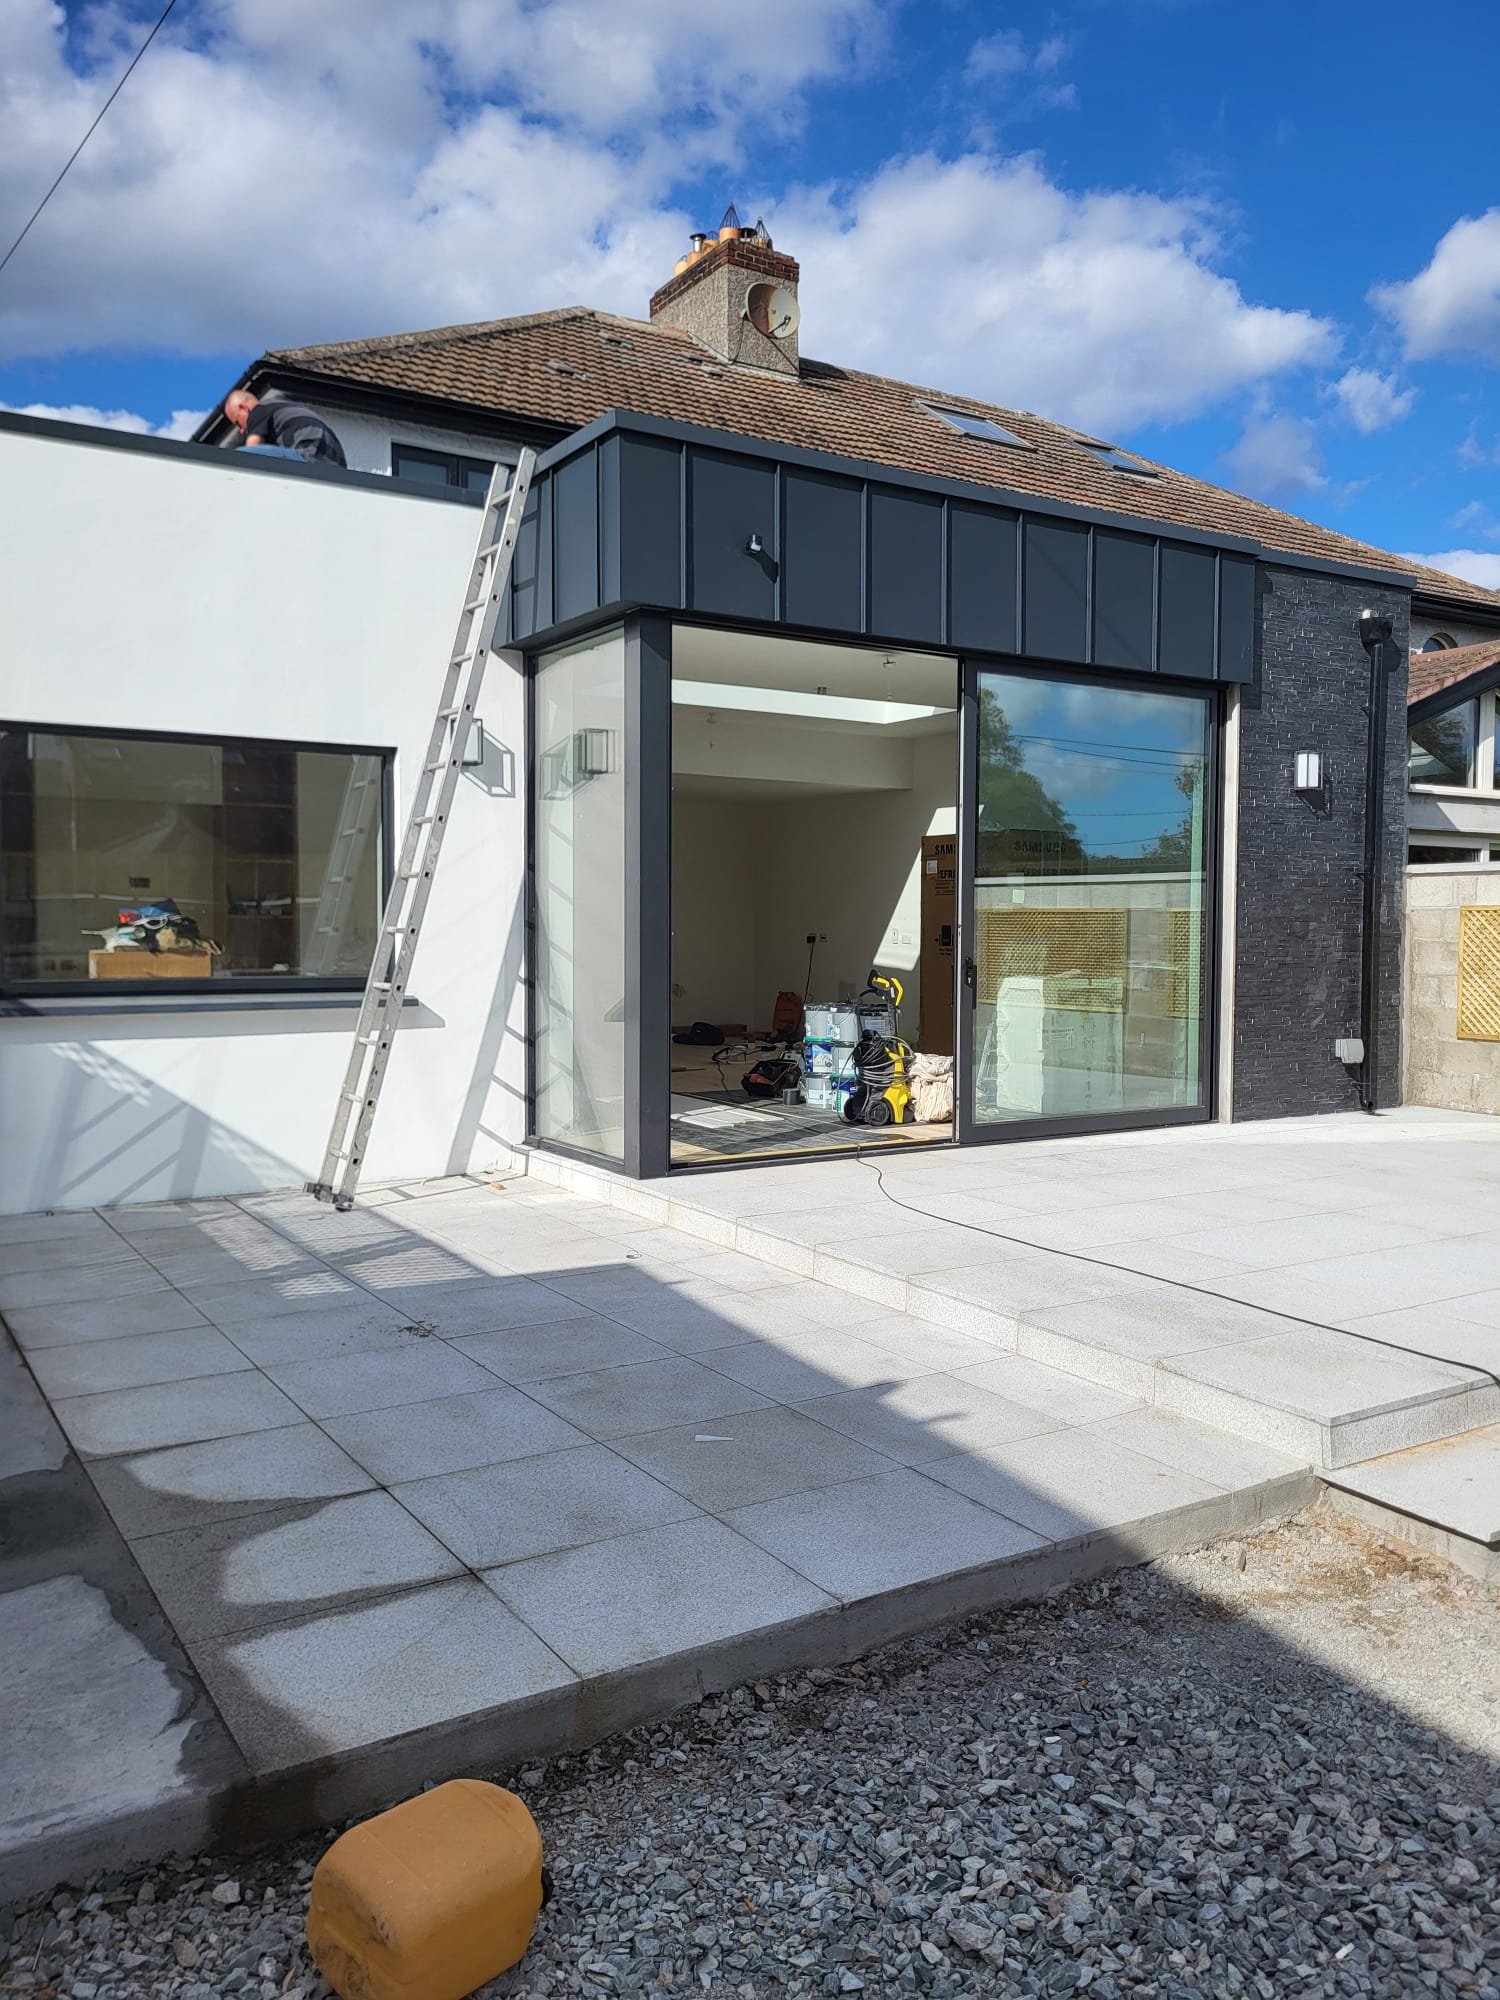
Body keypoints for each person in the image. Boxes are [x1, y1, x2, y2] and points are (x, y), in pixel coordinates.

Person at [223, 389, 347, 466]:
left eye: (238, 423)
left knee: (239, 455)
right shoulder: (279, 406)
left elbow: (250, 454)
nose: (242, 430)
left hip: (309, 455)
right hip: (334, 464)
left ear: (244, 408)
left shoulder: (258, 410)